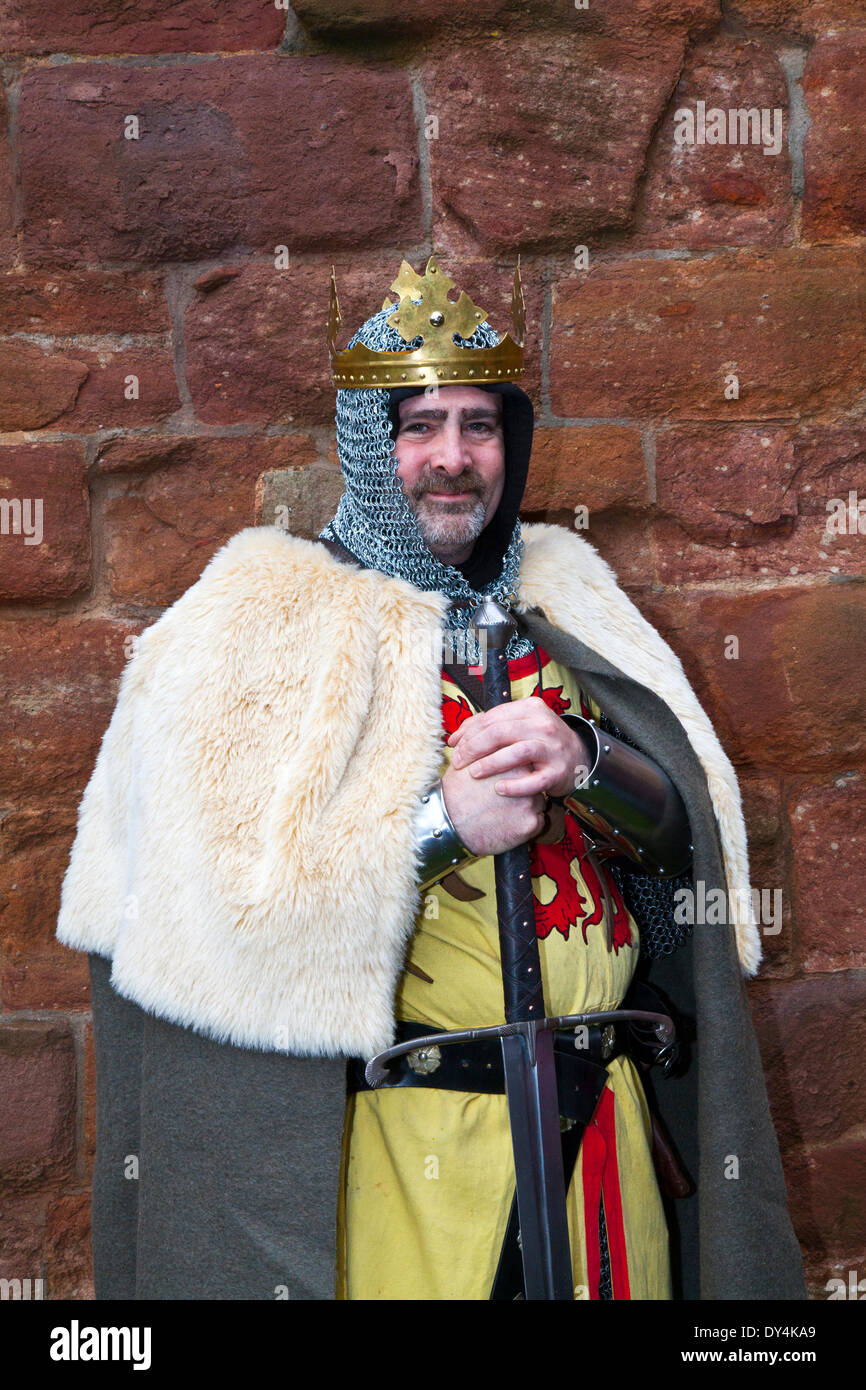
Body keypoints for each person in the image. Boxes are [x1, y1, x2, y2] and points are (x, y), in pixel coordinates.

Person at [57, 254, 805, 1301]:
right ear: (369, 445)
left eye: (479, 425)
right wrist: (442, 824)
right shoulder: (250, 625)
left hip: (604, 1145)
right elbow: (212, 925)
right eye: (417, 426)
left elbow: (684, 847)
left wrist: (587, 761)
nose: (452, 458)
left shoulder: (572, 604)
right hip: (404, 1161)